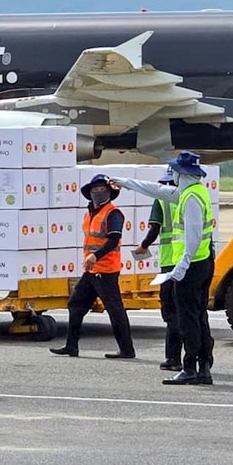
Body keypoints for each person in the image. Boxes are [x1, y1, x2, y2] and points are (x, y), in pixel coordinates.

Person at [146, 152, 216, 385]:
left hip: (190, 267)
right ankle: (204, 368)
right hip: (203, 262)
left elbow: (193, 237)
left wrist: (181, 266)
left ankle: (190, 368)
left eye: (175, 170)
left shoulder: (190, 198)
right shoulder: (196, 192)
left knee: (187, 320)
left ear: (183, 174)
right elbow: (154, 189)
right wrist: (124, 182)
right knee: (199, 317)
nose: (173, 175)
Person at [50, 174, 136, 360]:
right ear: (89, 193)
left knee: (115, 309)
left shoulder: (113, 213)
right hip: (91, 270)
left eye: (102, 189)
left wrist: (95, 255)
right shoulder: (90, 213)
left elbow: (114, 240)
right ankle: (71, 346)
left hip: (105, 270)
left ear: (110, 193)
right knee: (76, 304)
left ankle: (127, 350)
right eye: (94, 190)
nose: (98, 192)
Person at [131, 176, 184, 372]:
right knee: (187, 311)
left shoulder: (161, 200)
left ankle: (173, 358)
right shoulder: (189, 196)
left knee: (170, 313)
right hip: (189, 262)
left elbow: (154, 229)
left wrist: (143, 246)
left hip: (170, 263)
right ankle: (193, 357)